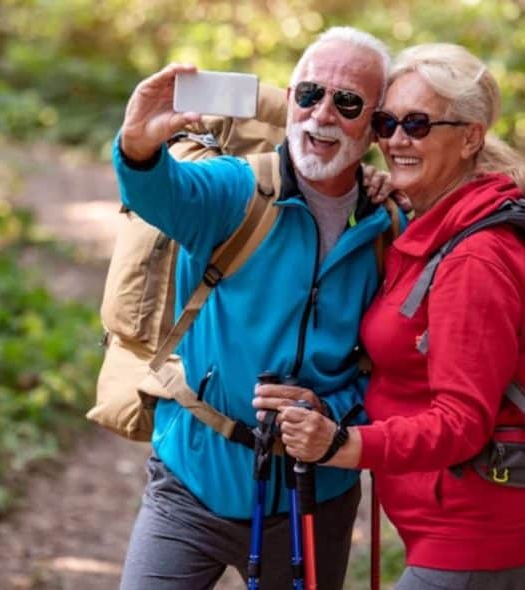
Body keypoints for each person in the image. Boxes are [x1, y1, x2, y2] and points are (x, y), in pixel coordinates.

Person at [114, 26, 395, 590]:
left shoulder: (388, 227)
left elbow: (397, 367)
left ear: (375, 124)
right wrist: (138, 147)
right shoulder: (236, 192)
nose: (323, 115)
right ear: (289, 99)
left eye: (347, 103)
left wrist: (330, 411)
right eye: (310, 94)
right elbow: (160, 191)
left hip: (313, 497)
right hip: (193, 479)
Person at [271, 43, 525, 590]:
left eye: (417, 124)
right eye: (386, 122)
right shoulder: (432, 225)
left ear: (471, 137)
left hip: (477, 538)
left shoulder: (474, 257)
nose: (394, 140)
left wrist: (341, 446)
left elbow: (461, 423)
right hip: (449, 530)